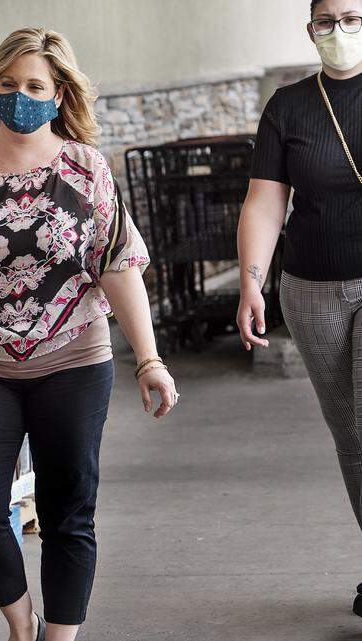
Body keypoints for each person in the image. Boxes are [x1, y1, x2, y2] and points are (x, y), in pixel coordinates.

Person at [0, 27, 178, 641]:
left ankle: (59, 637)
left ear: (59, 93)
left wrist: (149, 360)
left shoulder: (84, 168)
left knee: (69, 511)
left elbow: (119, 266)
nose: (21, 95)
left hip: (73, 356)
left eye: (35, 86)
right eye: (9, 84)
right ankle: (21, 626)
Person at [237, 0, 362, 617]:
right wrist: (252, 282)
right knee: (352, 437)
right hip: (310, 290)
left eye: (354, 18)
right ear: (310, 29)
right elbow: (265, 200)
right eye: (327, 21)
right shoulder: (290, 105)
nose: (340, 32)